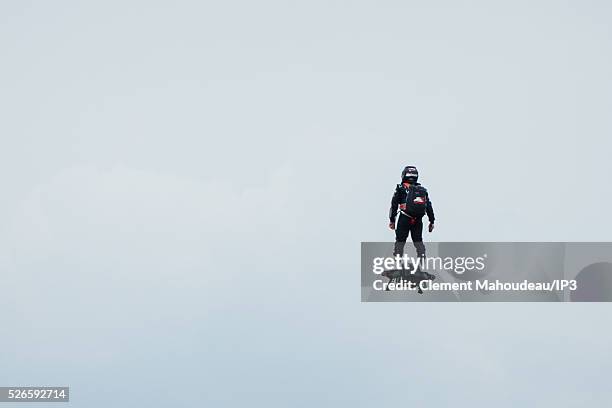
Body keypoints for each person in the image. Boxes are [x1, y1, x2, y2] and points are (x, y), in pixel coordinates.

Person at [388, 166, 435, 261]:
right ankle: (421, 263)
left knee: (400, 242)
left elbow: (394, 205)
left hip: (404, 218)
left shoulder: (400, 188)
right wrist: (432, 221)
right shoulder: (422, 190)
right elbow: (429, 206)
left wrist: (392, 220)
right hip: (417, 220)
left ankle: (398, 262)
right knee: (418, 242)